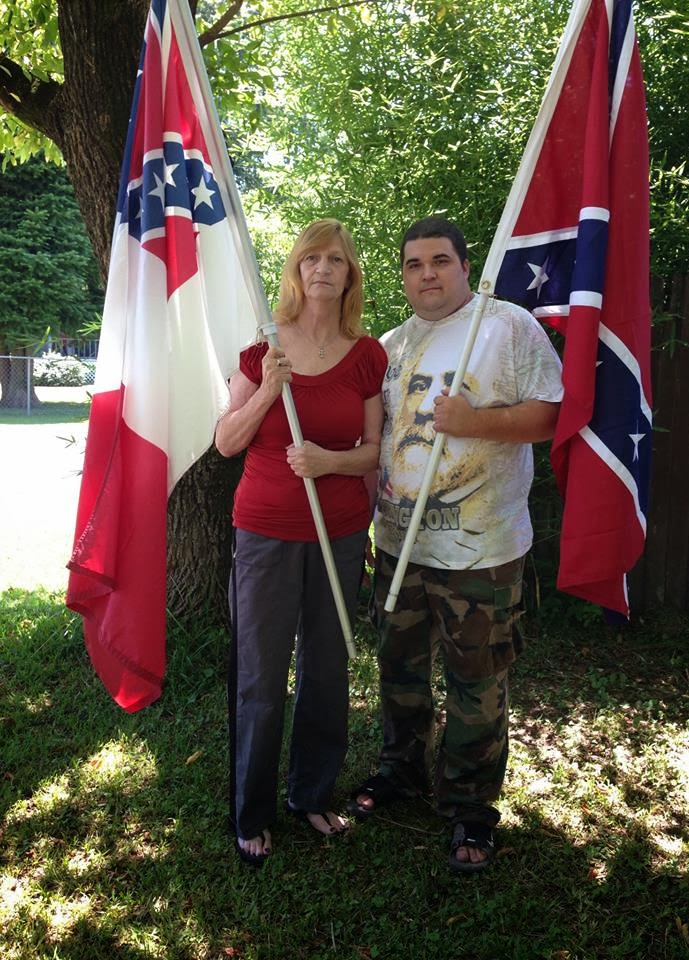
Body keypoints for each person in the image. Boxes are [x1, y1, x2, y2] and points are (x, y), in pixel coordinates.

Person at [348, 217, 563, 873]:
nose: (427, 274)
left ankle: (471, 808)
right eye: (414, 264)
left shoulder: (507, 327)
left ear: (465, 266)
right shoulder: (390, 346)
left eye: (440, 260)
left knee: (478, 683)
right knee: (401, 669)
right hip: (400, 544)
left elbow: (552, 412)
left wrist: (474, 423)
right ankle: (401, 771)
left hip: (483, 549)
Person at [215, 218, 387, 867]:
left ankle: (311, 794)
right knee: (260, 674)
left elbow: (372, 452)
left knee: (327, 666)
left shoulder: (367, 354)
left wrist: (328, 462)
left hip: (340, 532)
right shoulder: (262, 350)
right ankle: (251, 810)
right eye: (311, 257)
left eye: (335, 260)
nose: (322, 268)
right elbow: (227, 440)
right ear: (295, 270)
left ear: (349, 275)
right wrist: (268, 391)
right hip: (264, 533)